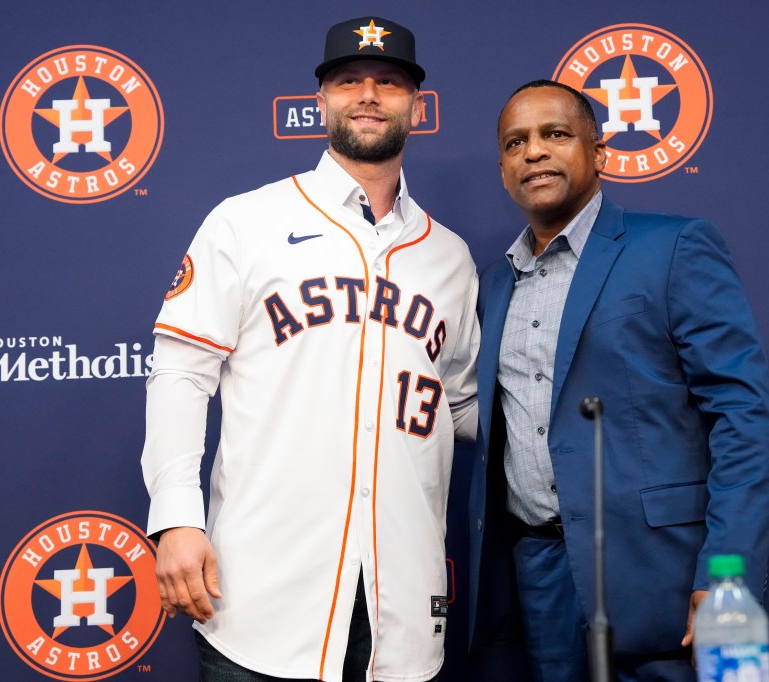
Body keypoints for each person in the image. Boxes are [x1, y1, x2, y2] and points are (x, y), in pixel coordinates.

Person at [141, 16, 479, 682]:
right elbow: (181, 371)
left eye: (389, 82)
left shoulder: (450, 258)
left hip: (402, 604)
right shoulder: (247, 221)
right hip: (263, 598)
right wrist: (176, 517)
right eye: (350, 80)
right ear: (321, 98)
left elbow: (461, 405)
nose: (369, 95)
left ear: (416, 102)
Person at [467, 80, 769, 682]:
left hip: (657, 571)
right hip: (538, 574)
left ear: (599, 152)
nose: (534, 151)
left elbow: (743, 418)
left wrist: (726, 573)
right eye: (516, 142)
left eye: (555, 134)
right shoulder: (492, 285)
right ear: (504, 169)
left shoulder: (674, 247)